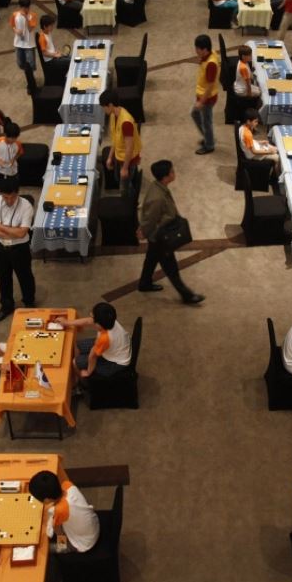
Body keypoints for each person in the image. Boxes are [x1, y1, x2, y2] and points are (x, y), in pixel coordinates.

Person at [138, 159, 204, 304]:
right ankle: (187, 296)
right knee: (171, 268)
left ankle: (144, 283)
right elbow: (150, 218)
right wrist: (144, 231)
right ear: (166, 176)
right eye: (172, 171)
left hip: (156, 236)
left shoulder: (158, 187)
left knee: (151, 259)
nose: (174, 173)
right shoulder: (158, 198)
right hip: (160, 236)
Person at [0, 177, 36, 322]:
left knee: (25, 276)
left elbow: (22, 233)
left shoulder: (26, 206)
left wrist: (0, 226)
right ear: (0, 193)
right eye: (6, 197)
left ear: (17, 193)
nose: (9, 200)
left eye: (12, 197)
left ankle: (29, 302)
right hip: (0, 247)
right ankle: (7, 305)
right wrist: (11, 231)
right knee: (3, 277)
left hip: (20, 248)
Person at [29, 467, 100, 553]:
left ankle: (63, 551)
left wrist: (61, 546)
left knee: (45, 549)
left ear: (47, 500)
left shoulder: (60, 510)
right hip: (94, 525)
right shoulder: (67, 485)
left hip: (86, 542)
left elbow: (59, 533)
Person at [58, 302, 132, 380]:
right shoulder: (109, 320)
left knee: (75, 362)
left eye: (92, 316)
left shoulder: (105, 338)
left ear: (98, 324)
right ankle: (80, 364)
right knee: (77, 345)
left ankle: (83, 382)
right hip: (113, 348)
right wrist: (66, 322)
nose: (90, 315)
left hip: (115, 363)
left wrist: (88, 372)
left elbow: (92, 356)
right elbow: (88, 321)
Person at [101, 89, 142, 197]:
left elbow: (129, 147)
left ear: (110, 105)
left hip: (128, 159)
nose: (103, 110)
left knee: (124, 188)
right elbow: (115, 138)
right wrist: (110, 157)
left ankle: (131, 202)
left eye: (103, 107)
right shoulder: (113, 115)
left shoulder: (126, 123)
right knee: (117, 178)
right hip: (119, 155)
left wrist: (124, 168)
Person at [191, 34, 220, 155]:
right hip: (203, 95)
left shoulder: (211, 64)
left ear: (204, 49)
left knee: (206, 121)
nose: (196, 51)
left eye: (197, 49)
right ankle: (209, 138)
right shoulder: (210, 53)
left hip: (207, 98)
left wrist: (201, 101)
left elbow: (210, 85)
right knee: (196, 115)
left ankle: (209, 145)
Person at [11, 0, 38, 92]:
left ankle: (31, 83)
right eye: (24, 8)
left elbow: (30, 29)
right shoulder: (15, 14)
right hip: (18, 43)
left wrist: (26, 17)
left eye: (27, 8)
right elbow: (12, 25)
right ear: (20, 7)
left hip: (29, 44)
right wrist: (16, 30)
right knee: (20, 63)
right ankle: (29, 77)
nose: (26, 10)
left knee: (30, 65)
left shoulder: (33, 15)